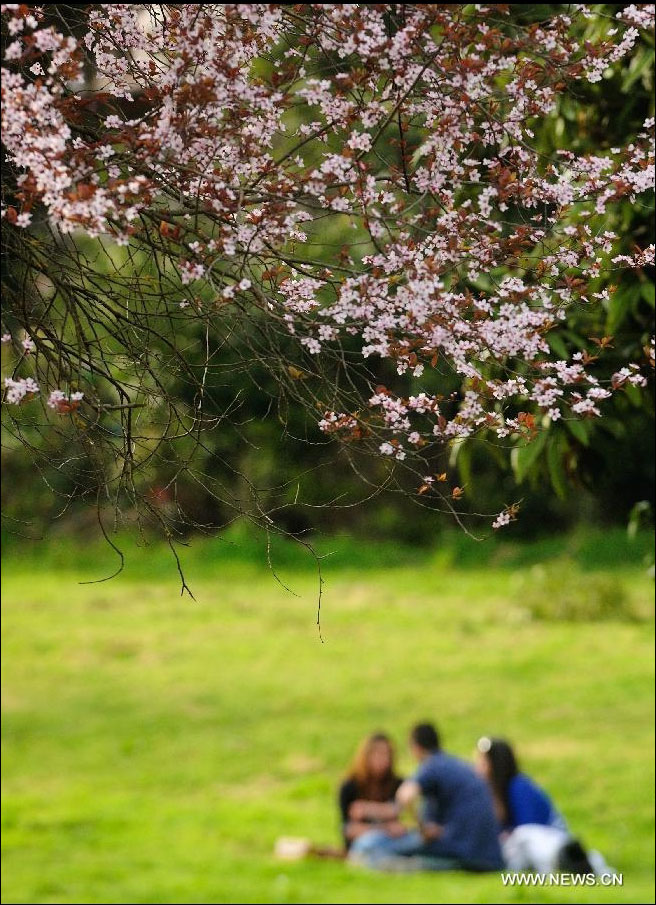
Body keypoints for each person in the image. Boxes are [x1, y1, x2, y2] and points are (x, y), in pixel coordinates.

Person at [349, 722, 504, 872]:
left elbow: (405, 797)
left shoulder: (431, 766)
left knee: (367, 845)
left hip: (459, 849)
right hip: (489, 856)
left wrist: (422, 829)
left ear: (415, 747)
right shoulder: (459, 766)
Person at [475, 737, 609, 876]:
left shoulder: (519, 786)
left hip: (551, 843)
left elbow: (530, 829)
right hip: (528, 850)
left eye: (483, 761)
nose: (477, 766)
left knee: (523, 837)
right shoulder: (492, 793)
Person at [338, 732, 405, 851]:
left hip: (395, 843)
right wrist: (384, 827)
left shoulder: (398, 784)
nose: (382, 760)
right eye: (377, 754)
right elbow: (348, 829)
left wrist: (367, 809)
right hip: (364, 845)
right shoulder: (350, 786)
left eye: (386, 754)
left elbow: (405, 823)